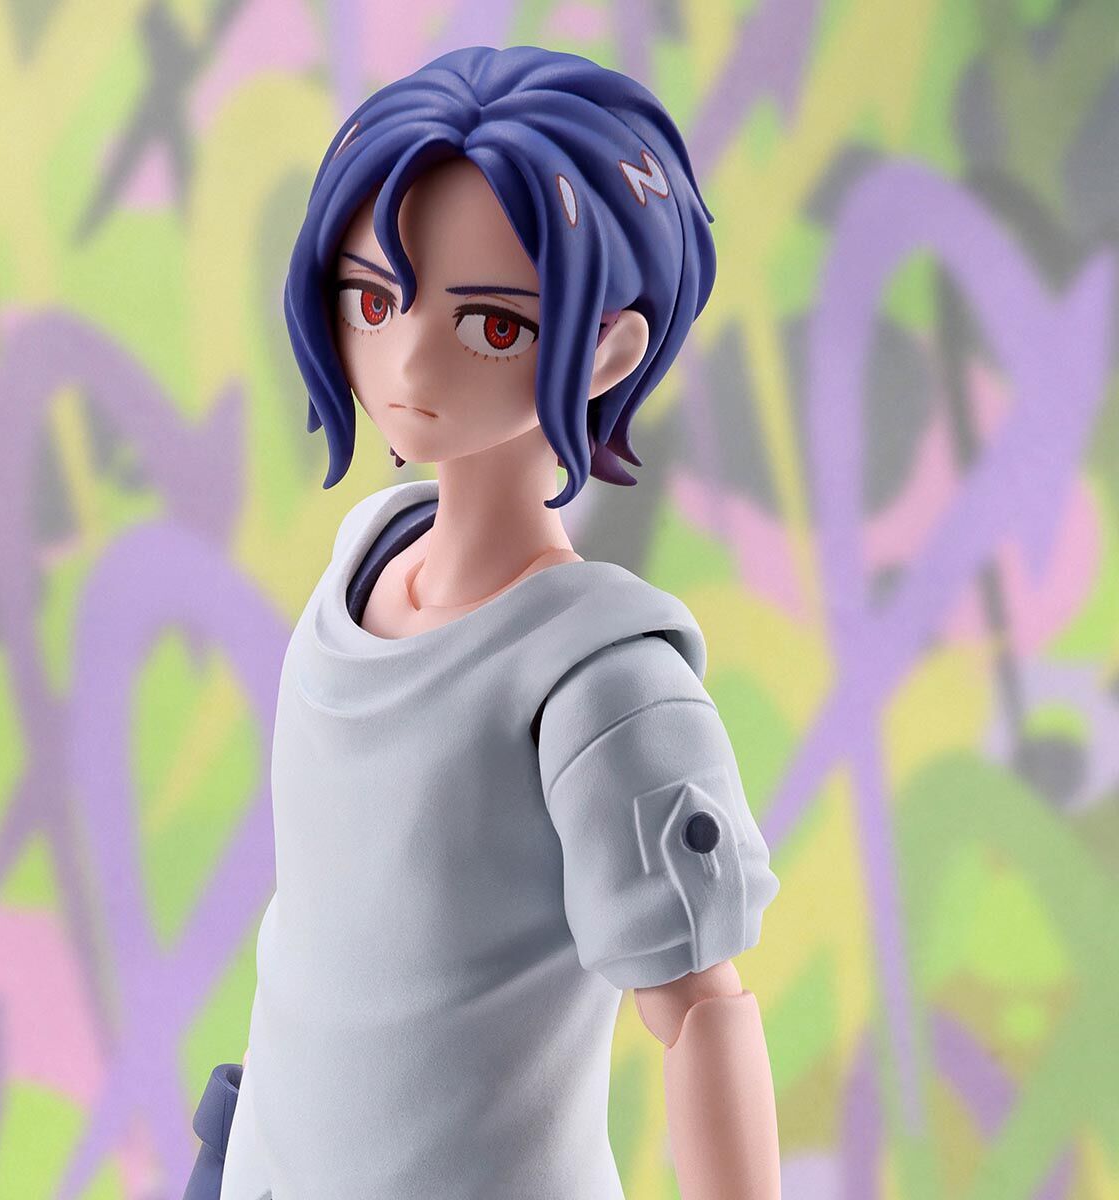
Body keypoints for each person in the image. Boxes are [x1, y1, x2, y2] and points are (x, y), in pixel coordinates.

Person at [191, 44, 781, 1200]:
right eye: (375, 300)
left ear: (608, 345)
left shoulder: (602, 682)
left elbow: (702, 1010)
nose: (409, 361)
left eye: (493, 325)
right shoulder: (364, 560)